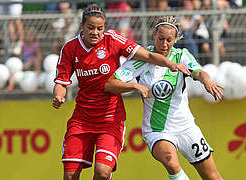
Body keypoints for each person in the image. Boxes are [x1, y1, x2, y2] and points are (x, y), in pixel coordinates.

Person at [51, 4, 190, 180]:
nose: (95, 32)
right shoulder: (70, 48)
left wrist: (169, 63)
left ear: (105, 27)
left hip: (110, 119)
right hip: (82, 119)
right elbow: (61, 82)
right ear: (81, 26)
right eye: (90, 28)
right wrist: (58, 95)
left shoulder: (112, 40)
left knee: (102, 172)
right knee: (70, 176)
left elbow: (146, 55)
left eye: (99, 28)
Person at [105, 16, 224, 180]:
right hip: (157, 129)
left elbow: (198, 72)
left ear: (176, 39)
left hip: (186, 126)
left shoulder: (181, 56)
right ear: (154, 35)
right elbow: (110, 84)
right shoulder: (142, 58)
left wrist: (206, 80)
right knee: (171, 161)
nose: (164, 44)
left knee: (212, 176)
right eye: (161, 39)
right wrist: (135, 86)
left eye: (169, 40)